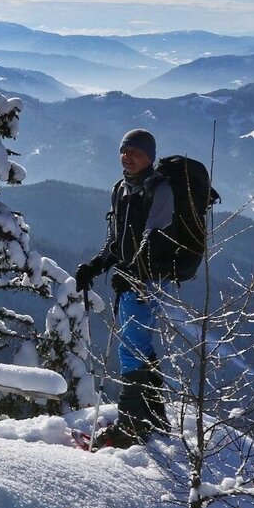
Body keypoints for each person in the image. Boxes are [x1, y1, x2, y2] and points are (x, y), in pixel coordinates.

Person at [74, 128, 179, 447]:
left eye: (135, 152)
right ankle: (154, 417)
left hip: (150, 279)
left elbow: (156, 238)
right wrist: (95, 265)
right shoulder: (121, 189)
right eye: (124, 151)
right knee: (140, 345)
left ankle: (130, 427)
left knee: (130, 348)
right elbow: (115, 240)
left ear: (150, 157)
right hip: (130, 277)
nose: (127, 157)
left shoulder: (159, 190)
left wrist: (133, 272)